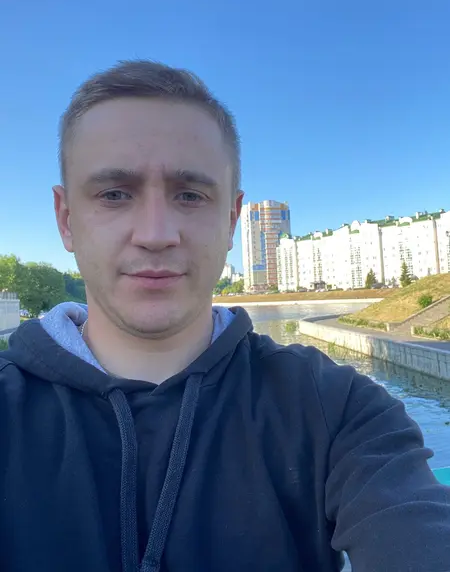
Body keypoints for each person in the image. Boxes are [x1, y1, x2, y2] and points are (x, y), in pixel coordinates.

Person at [1, 60, 450, 572]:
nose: (156, 234)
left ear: (232, 220)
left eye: (190, 195)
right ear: (66, 220)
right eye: (114, 194)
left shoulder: (336, 407)